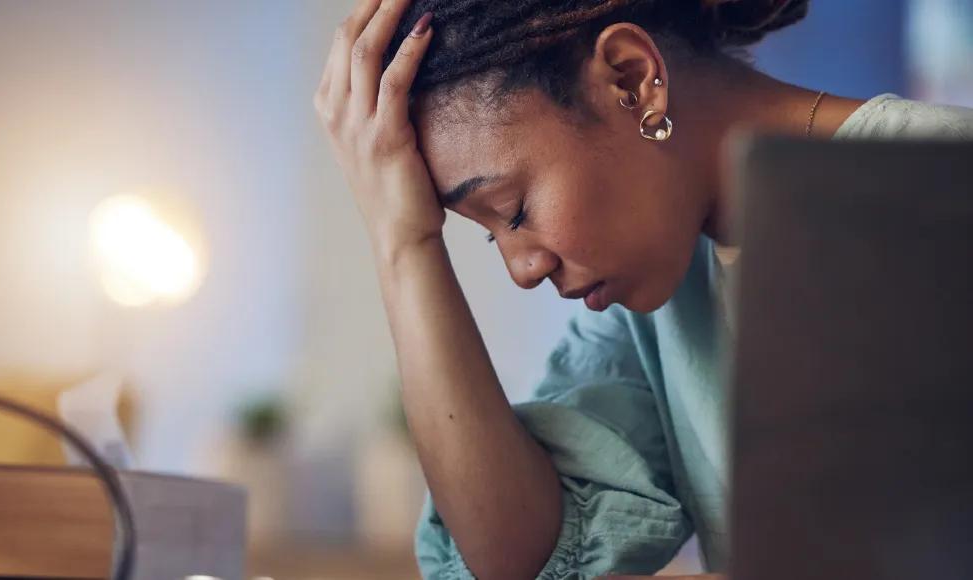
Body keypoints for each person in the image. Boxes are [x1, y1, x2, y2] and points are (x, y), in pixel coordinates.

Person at [312, 1, 973, 578]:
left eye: (512, 210)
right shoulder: (654, 303)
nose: (522, 269)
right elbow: (521, 557)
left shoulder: (946, 191)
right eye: (489, 234)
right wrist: (404, 243)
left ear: (631, 79)